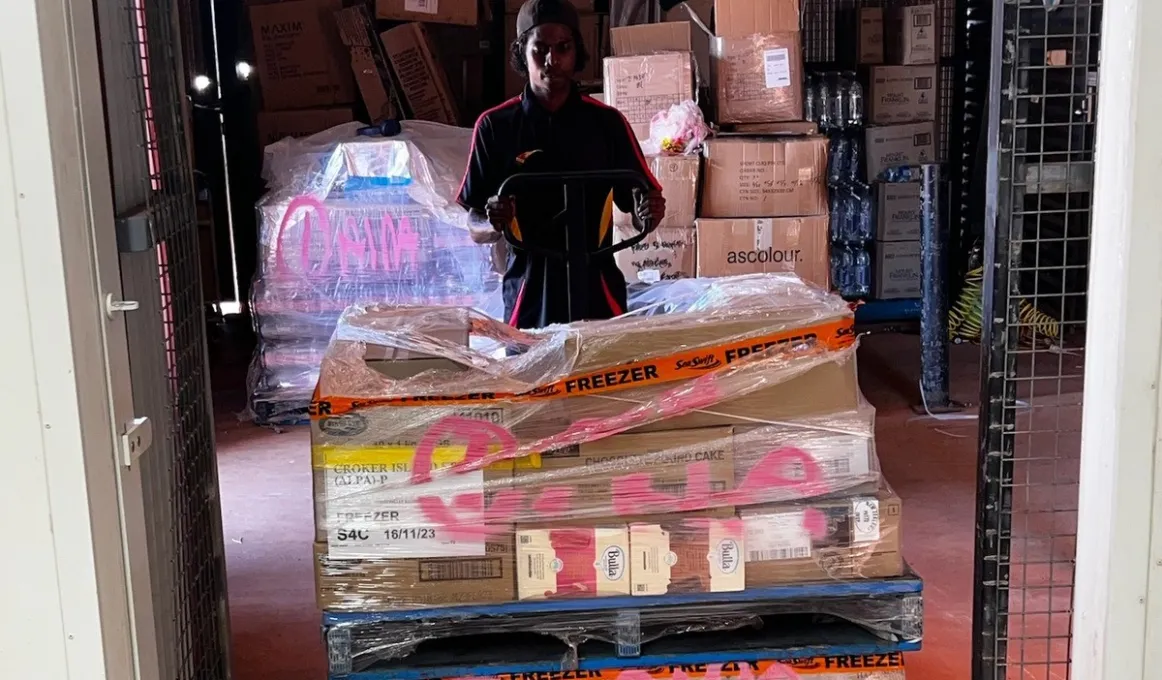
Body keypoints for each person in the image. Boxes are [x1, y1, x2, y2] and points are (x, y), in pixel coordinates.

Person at [456, 0, 666, 330]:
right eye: (540, 49)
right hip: (528, 291)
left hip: (598, 288)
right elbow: (475, 225)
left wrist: (650, 211)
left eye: (563, 48)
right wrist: (494, 222)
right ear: (522, 52)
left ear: (576, 51)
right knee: (532, 379)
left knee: (604, 378)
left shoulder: (607, 123)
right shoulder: (495, 127)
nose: (552, 60)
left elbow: (644, 206)